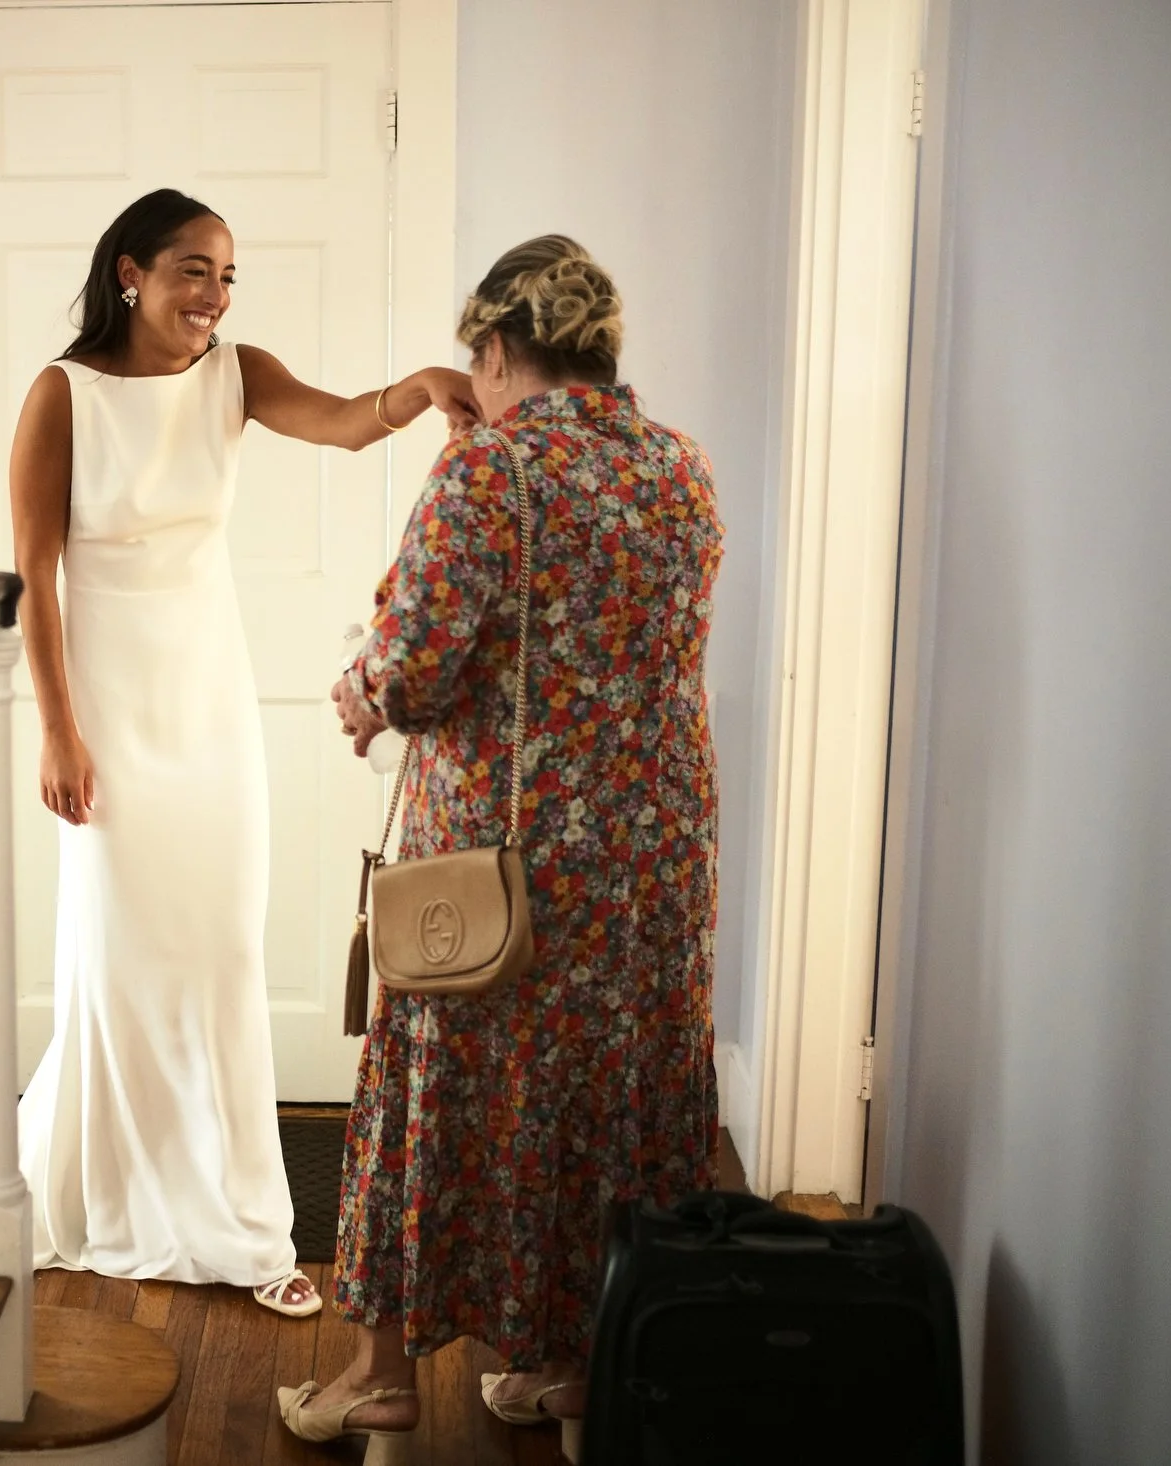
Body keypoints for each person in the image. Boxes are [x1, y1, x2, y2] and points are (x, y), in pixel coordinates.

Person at [278, 235, 723, 1456]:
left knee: (442, 1094)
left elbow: (416, 666)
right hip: (651, 863)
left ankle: (376, 1379)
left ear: (495, 349)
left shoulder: (490, 473)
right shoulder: (679, 466)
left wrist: (360, 693)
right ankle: (574, 1376)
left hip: (504, 865)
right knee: (605, 1105)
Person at [10, 189, 477, 1318]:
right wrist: (58, 728)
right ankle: (120, 1188)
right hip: (111, 711)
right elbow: (33, 577)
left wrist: (417, 388)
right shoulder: (60, 394)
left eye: (226, 278)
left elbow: (343, 420)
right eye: (191, 272)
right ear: (129, 271)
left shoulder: (236, 370)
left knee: (219, 951)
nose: (212, 298)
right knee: (123, 952)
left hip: (209, 702)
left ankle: (236, 1210)